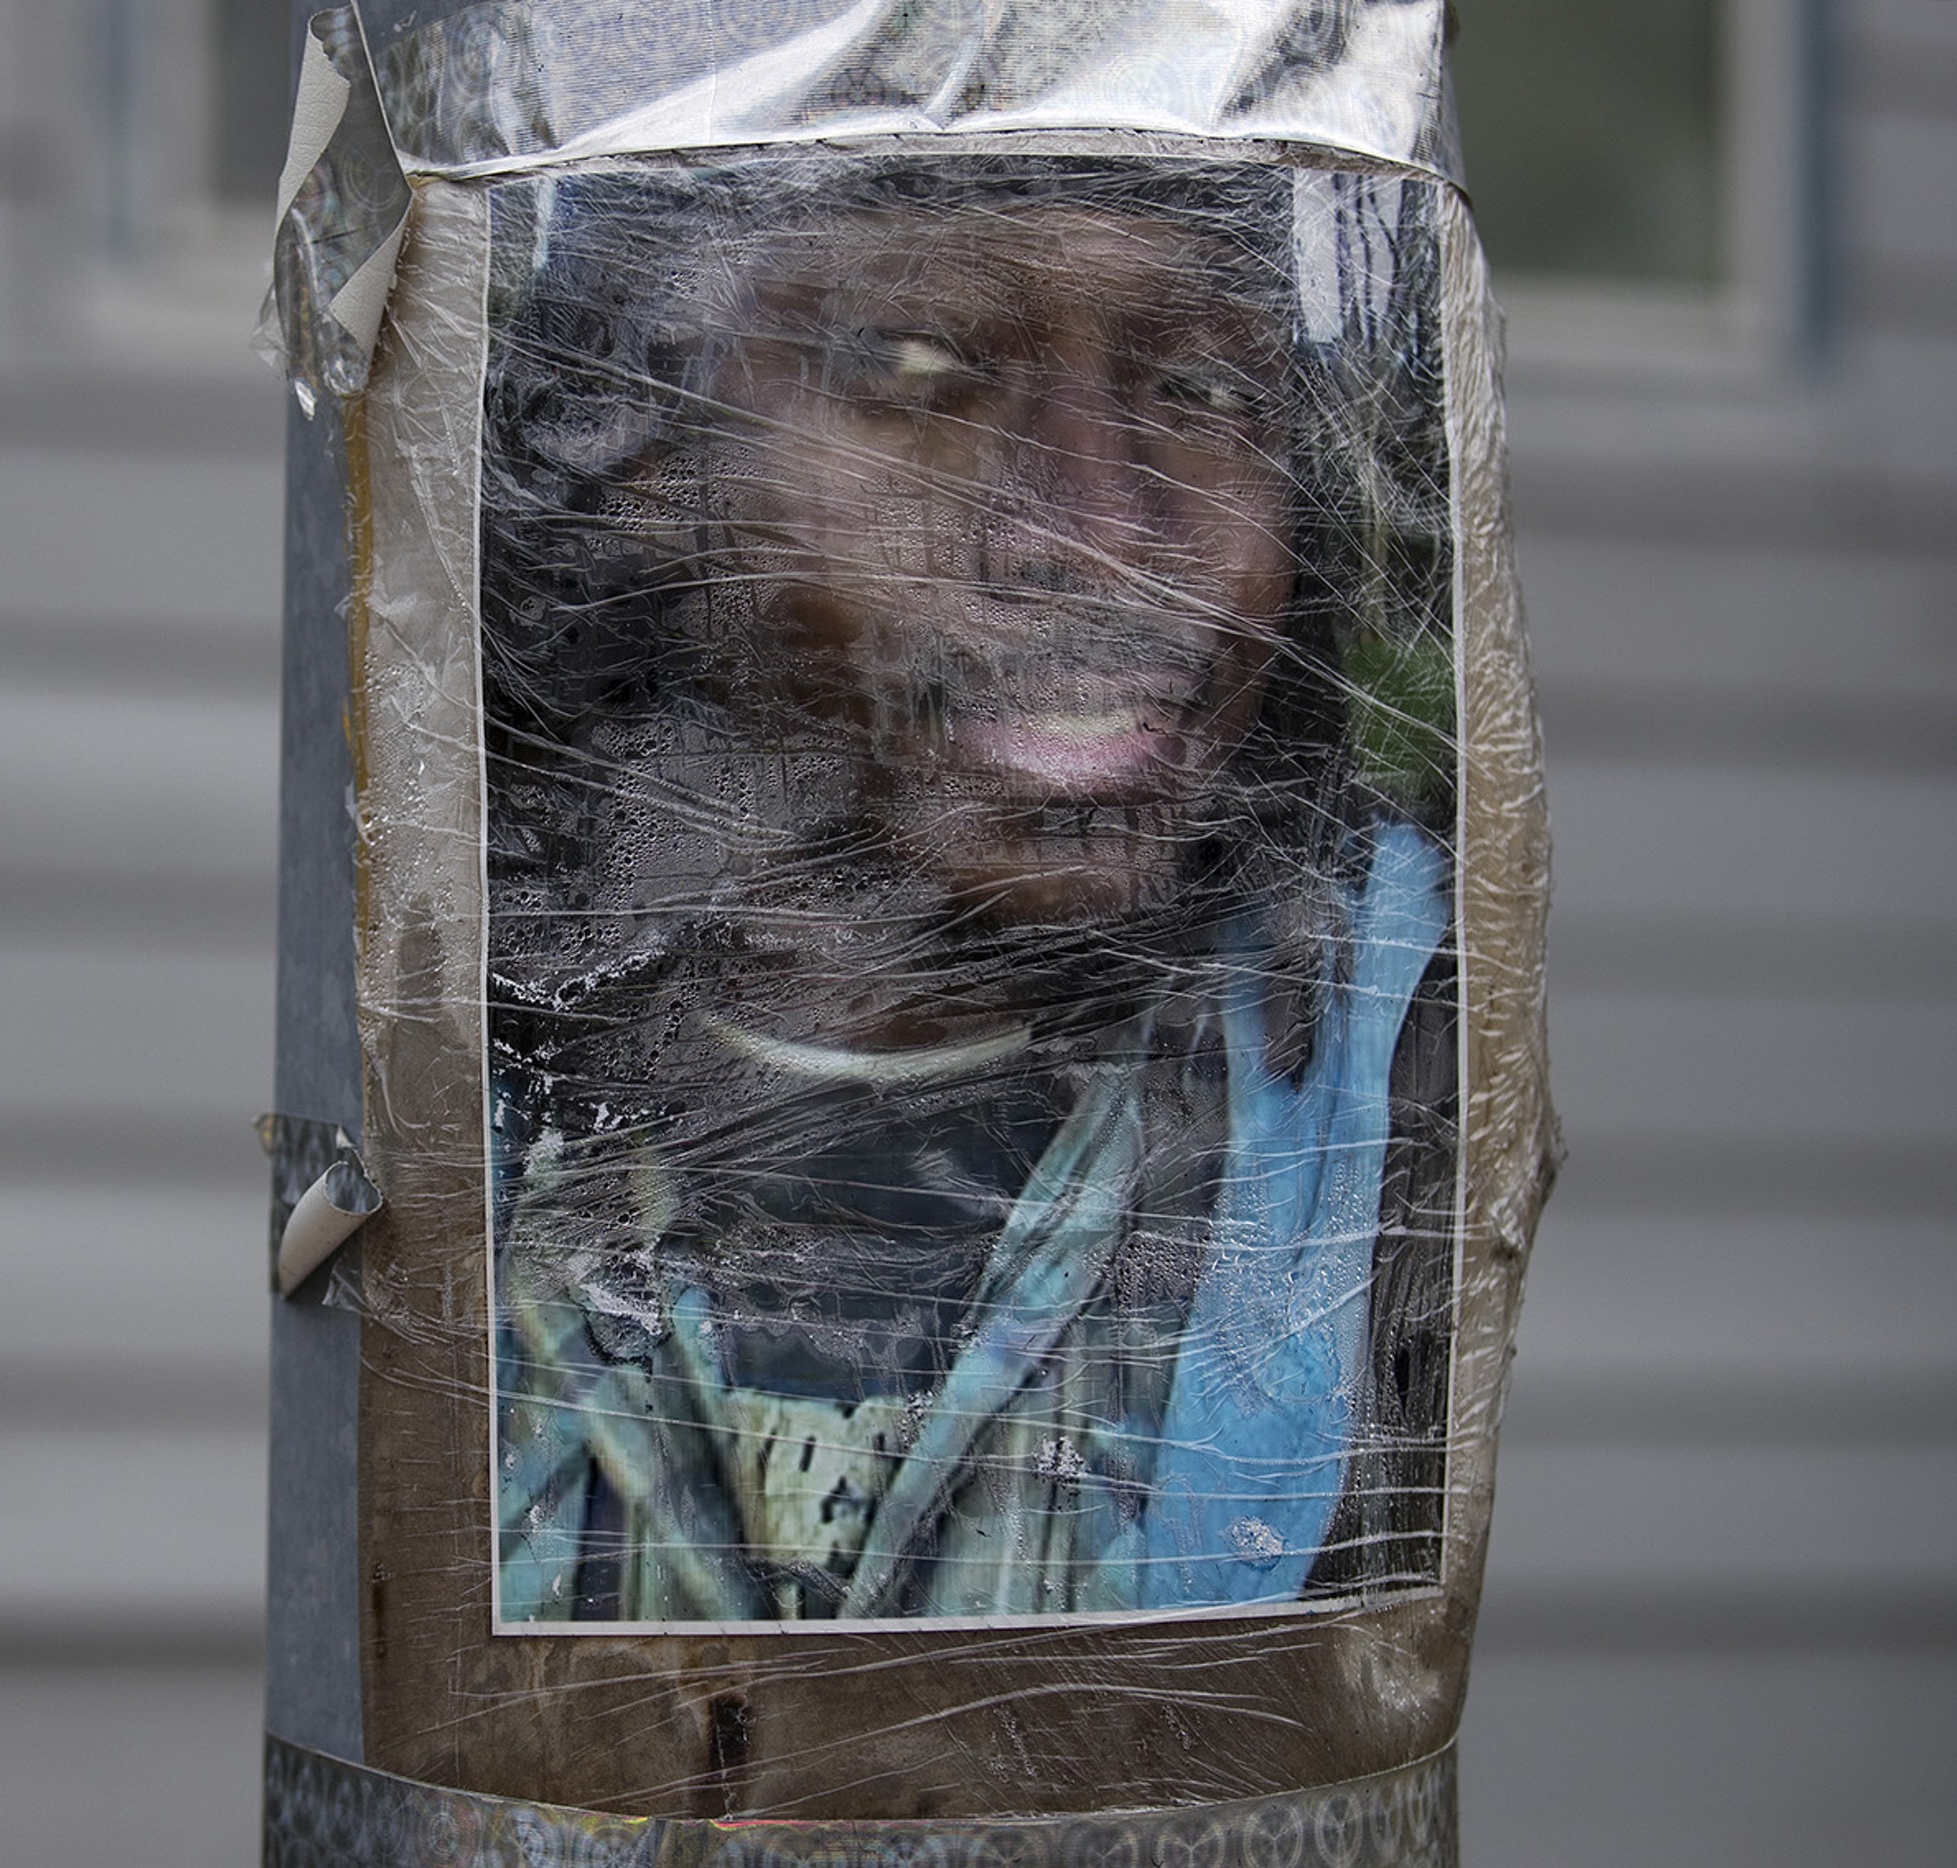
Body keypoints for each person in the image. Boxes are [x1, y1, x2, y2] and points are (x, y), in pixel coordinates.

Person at [481, 155, 1461, 1625]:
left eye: (1203, 390)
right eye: (914, 371)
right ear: (645, 466)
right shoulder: (445, 1055)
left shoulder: (1401, 1072)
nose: (1101, 532)